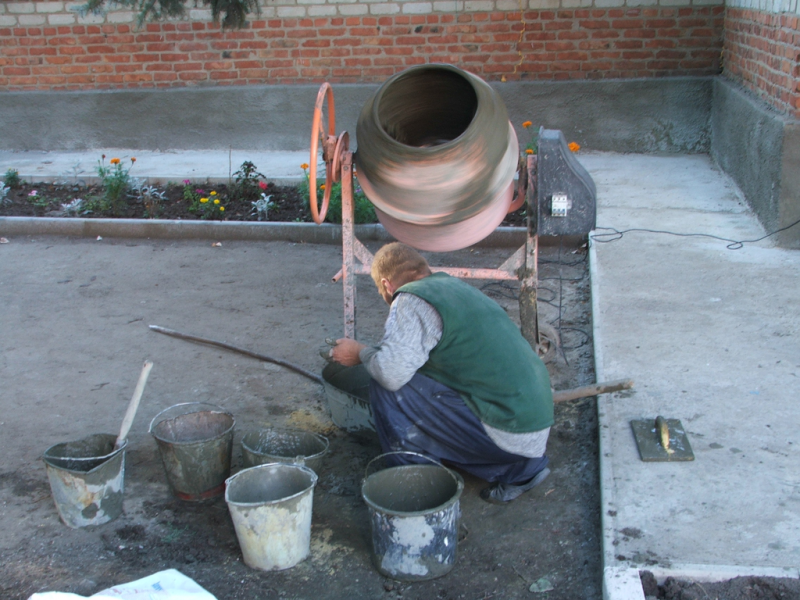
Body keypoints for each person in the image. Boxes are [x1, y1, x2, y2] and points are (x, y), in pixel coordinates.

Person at [330, 242, 554, 504]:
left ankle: (416, 482)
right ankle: (523, 471)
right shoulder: (455, 289)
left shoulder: (411, 299)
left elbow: (391, 374)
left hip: (507, 433)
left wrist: (359, 353)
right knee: (406, 373)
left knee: (388, 388)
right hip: (533, 425)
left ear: (387, 284)